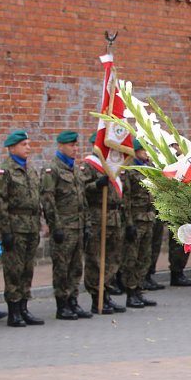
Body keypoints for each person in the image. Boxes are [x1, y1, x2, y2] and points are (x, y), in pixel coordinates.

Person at [0, 130, 45, 327]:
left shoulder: (30, 170)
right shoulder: (4, 170)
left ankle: (24, 307)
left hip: (31, 225)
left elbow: (37, 199)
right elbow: (0, 201)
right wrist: (5, 231)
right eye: (24, 145)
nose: (28, 148)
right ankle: (13, 310)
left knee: (27, 269)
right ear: (12, 147)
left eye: (28, 144)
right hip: (14, 226)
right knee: (14, 270)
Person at [41, 130, 92, 320]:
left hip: (77, 227)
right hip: (63, 227)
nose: (75, 149)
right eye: (71, 145)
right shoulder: (52, 169)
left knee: (76, 267)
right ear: (61, 145)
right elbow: (48, 199)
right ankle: (62, 304)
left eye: (76, 145)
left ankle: (73, 301)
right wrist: (55, 226)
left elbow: (82, 199)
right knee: (62, 268)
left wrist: (86, 224)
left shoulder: (75, 170)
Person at [82, 133, 129, 315]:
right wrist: (96, 185)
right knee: (96, 259)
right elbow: (82, 190)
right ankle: (97, 297)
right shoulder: (89, 165)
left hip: (114, 216)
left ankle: (107, 293)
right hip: (98, 216)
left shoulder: (112, 165)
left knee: (113, 257)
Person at [120, 141, 157, 309]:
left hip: (148, 218)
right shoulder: (128, 170)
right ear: (135, 151)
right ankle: (131, 291)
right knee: (132, 258)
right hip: (135, 219)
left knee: (145, 257)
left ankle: (139, 290)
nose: (146, 152)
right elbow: (125, 199)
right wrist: (128, 223)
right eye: (143, 149)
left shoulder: (149, 167)